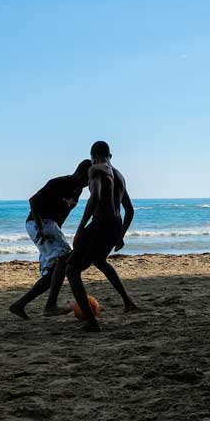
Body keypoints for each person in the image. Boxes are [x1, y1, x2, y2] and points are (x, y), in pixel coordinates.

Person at [67, 141, 138, 331]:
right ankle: (128, 302)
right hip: (115, 223)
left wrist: (81, 228)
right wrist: (120, 235)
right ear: (110, 155)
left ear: (93, 156)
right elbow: (129, 211)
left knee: (72, 270)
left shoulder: (96, 170)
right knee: (99, 260)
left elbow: (95, 197)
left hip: (101, 223)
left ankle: (91, 322)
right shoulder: (120, 175)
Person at [9, 160, 92, 318]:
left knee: (54, 273)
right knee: (66, 258)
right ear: (81, 173)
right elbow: (33, 201)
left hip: (51, 226)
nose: (89, 184)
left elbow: (61, 214)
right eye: (88, 180)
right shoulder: (59, 182)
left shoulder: (78, 190)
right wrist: (40, 226)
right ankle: (50, 305)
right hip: (38, 223)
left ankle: (19, 305)